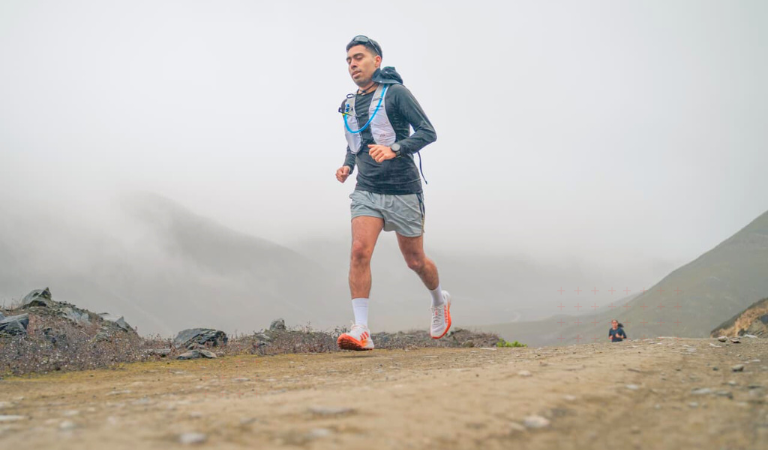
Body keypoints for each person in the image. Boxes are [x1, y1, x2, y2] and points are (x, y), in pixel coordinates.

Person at [334, 35, 448, 351]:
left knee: (414, 261)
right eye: (348, 60)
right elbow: (355, 140)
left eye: (358, 57)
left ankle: (439, 300)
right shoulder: (351, 101)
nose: (353, 64)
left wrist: (395, 148)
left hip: (403, 190)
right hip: (367, 190)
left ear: (377, 61)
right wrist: (347, 166)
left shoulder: (396, 94)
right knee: (359, 250)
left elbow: (428, 132)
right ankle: (361, 330)